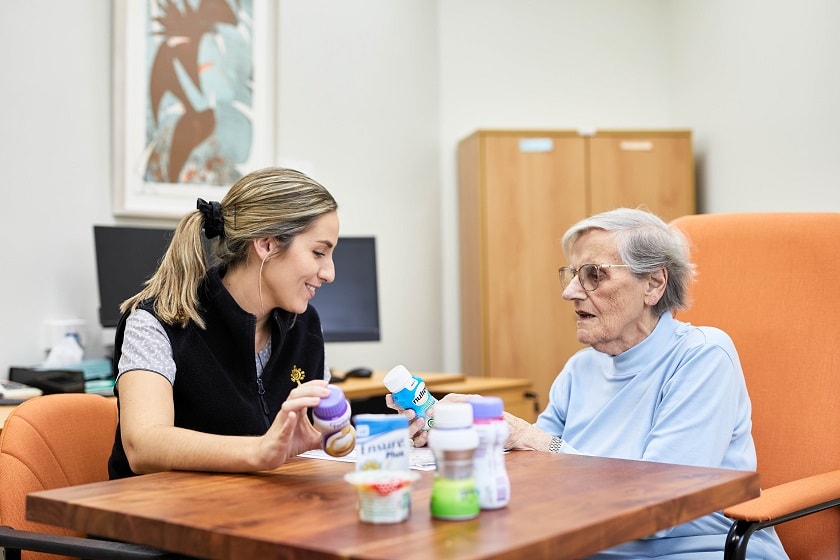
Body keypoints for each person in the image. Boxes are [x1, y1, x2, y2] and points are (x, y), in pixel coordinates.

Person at [393, 208, 788, 559]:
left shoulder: (702, 357)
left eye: (593, 275)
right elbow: (533, 470)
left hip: (695, 549)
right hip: (588, 544)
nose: (569, 292)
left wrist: (531, 438)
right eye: (571, 275)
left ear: (653, 284)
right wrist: (463, 437)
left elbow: (663, 507)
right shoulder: (580, 369)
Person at [108, 167, 339, 479]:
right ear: (267, 245)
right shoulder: (157, 322)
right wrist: (261, 451)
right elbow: (142, 445)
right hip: (162, 520)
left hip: (262, 514)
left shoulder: (306, 325)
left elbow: (322, 435)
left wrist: (391, 435)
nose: (329, 273)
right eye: (319, 253)